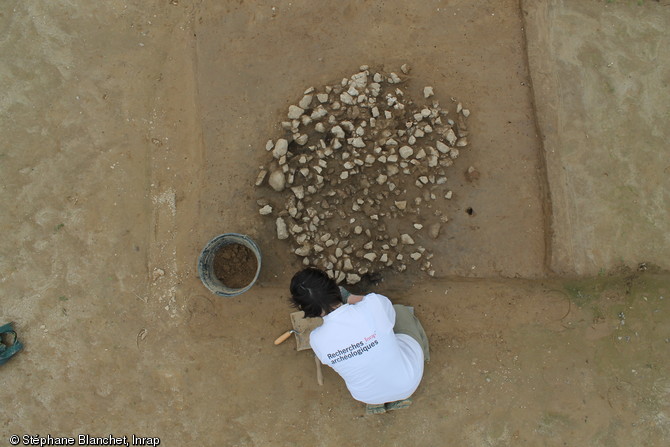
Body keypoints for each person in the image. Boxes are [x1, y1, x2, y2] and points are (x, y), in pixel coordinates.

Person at [289, 267, 430, 414]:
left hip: (367, 396)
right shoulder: (373, 305)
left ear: (304, 309)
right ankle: (419, 363)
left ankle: (377, 403)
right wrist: (349, 298)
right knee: (400, 311)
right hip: (407, 384)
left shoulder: (317, 340)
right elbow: (390, 315)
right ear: (336, 289)